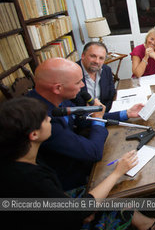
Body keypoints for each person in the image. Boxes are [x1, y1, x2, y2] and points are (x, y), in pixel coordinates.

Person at [0, 97, 155, 230]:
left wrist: (78, 210)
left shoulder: (20, 159)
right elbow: (73, 213)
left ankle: (143, 223)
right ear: (34, 135)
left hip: (64, 210)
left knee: (110, 192)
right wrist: (117, 172)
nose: (50, 120)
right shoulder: (28, 179)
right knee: (114, 189)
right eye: (45, 119)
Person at [27, 58, 144, 191]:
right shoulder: (42, 120)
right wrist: (98, 121)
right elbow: (93, 152)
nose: (83, 85)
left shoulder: (55, 99)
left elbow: (82, 119)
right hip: (70, 181)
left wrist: (126, 113)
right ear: (58, 88)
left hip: (79, 156)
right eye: (78, 82)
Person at [72, 41, 115, 112]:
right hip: (83, 118)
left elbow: (110, 96)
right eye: (93, 56)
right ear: (83, 55)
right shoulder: (72, 72)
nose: (97, 61)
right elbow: (71, 104)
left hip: (105, 114)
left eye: (101, 58)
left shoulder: (106, 70)